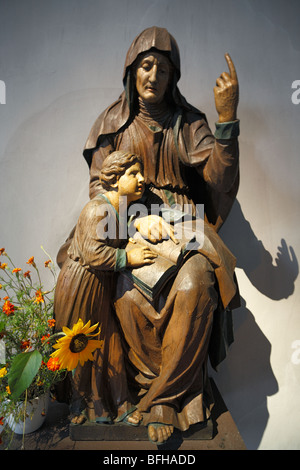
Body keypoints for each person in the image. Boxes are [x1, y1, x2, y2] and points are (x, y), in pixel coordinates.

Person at [57, 26, 241, 444]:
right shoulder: (111, 123)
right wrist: (134, 221)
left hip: (184, 223)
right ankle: (120, 393)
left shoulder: (188, 122)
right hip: (125, 228)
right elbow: (98, 190)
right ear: (131, 70)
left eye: (163, 67)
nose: (154, 75)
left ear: (174, 76)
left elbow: (220, 176)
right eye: (146, 64)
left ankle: (164, 398)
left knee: (197, 283)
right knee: (123, 287)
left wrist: (226, 120)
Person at [54, 150, 158, 425]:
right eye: (133, 173)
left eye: (141, 173)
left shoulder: (119, 210)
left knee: (109, 344)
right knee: (79, 344)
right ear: (113, 178)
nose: (142, 179)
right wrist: (127, 256)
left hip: (100, 284)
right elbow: (92, 252)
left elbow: (115, 240)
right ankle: (82, 405)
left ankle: (118, 404)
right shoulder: (97, 209)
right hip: (80, 284)